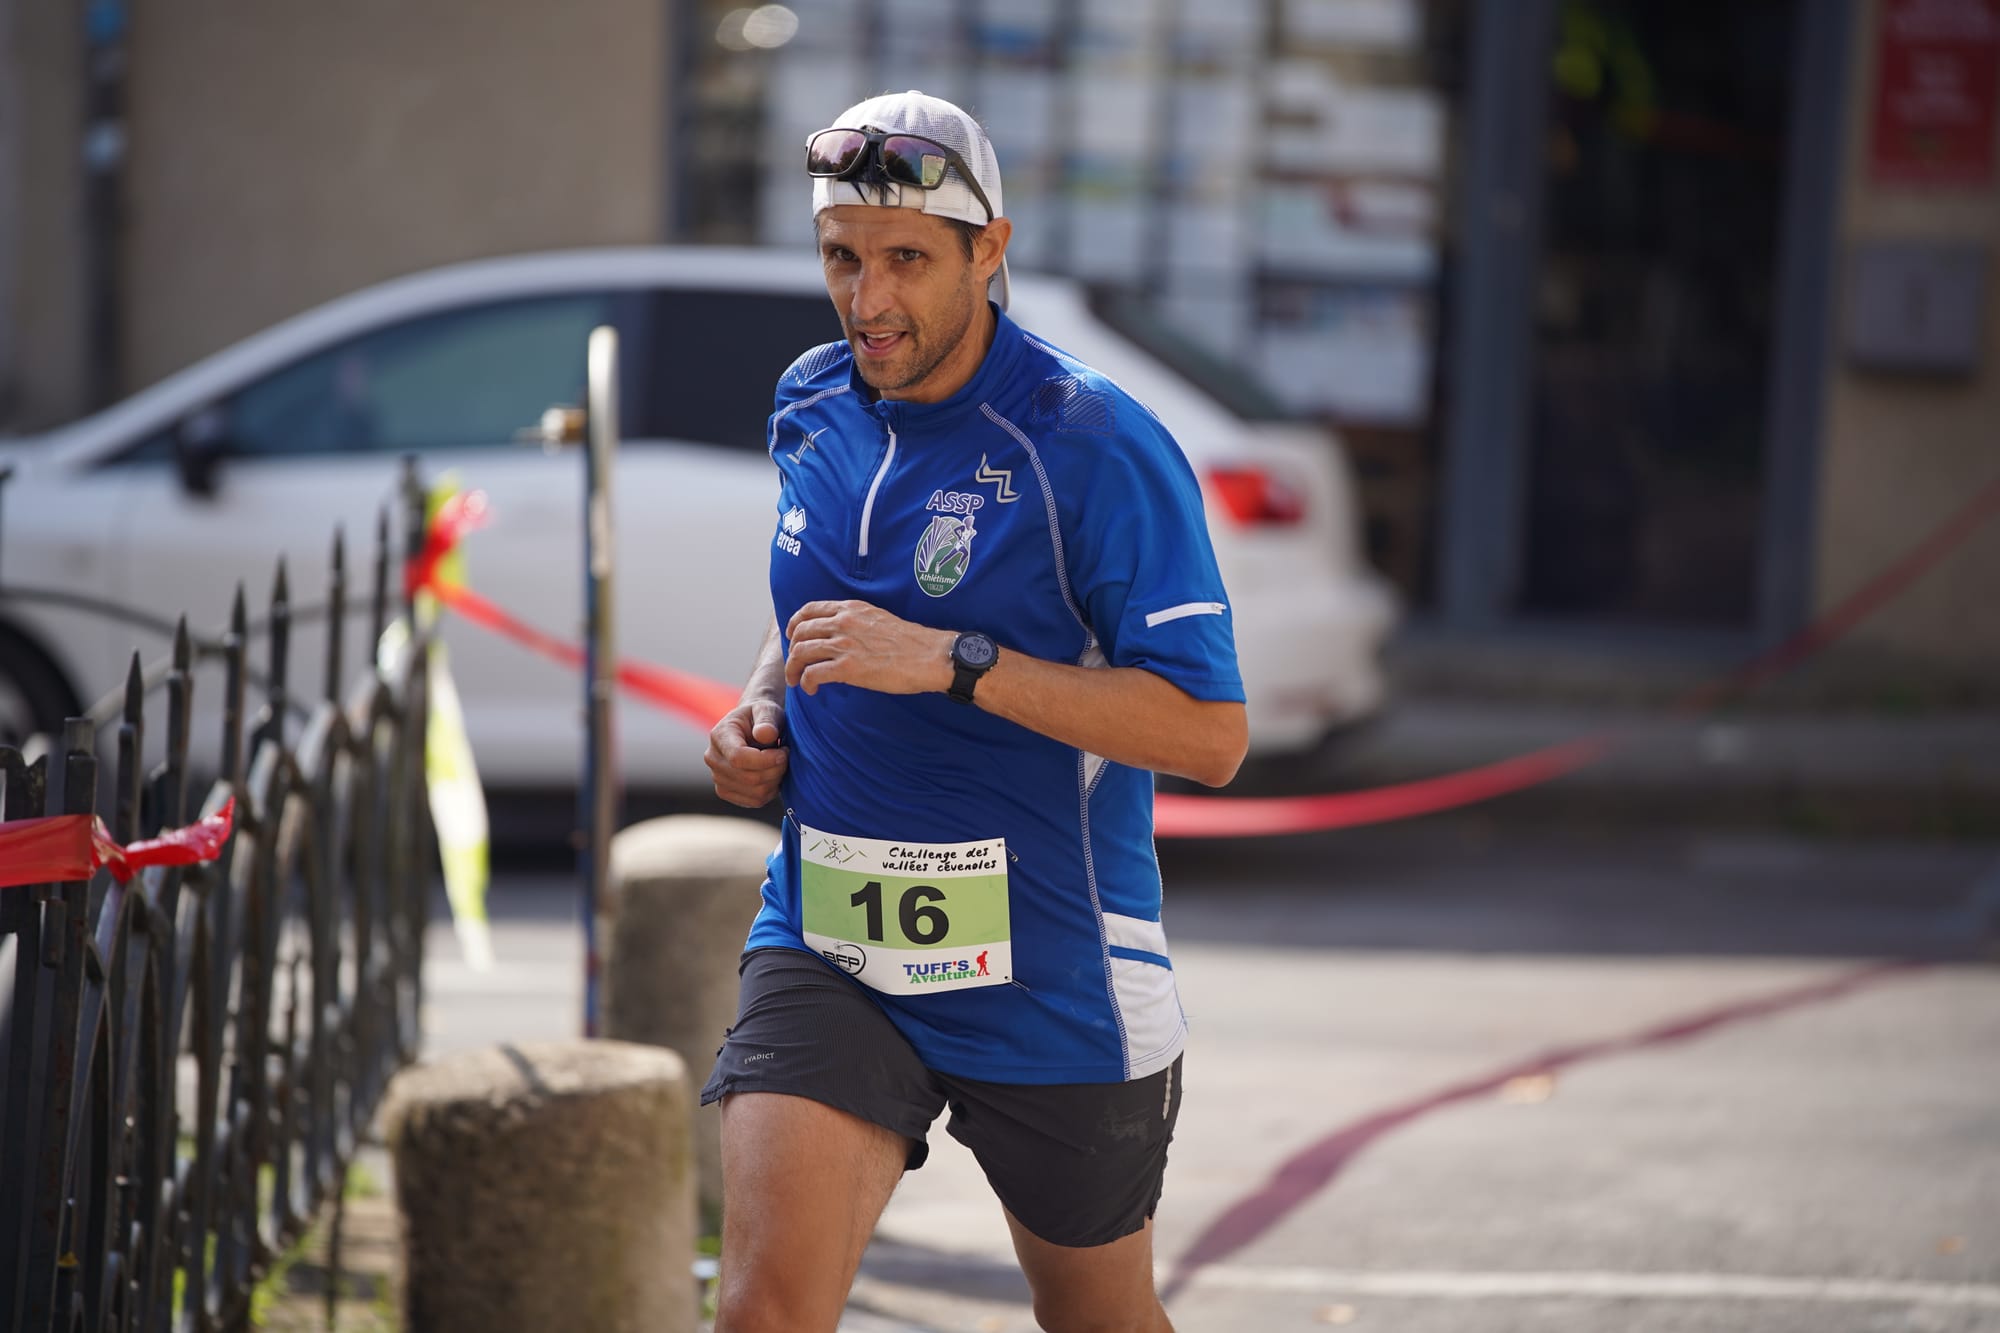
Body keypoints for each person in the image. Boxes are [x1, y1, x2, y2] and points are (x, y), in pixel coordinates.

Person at [701, 89, 1247, 1333]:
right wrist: (759, 705)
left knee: (1094, 1317)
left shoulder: (1092, 443)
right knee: (760, 1312)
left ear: (987, 251)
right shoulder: (812, 396)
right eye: (841, 258)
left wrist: (954, 662)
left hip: (1052, 966)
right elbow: (827, 605)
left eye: (905, 260)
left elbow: (1208, 735)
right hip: (830, 932)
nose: (868, 300)